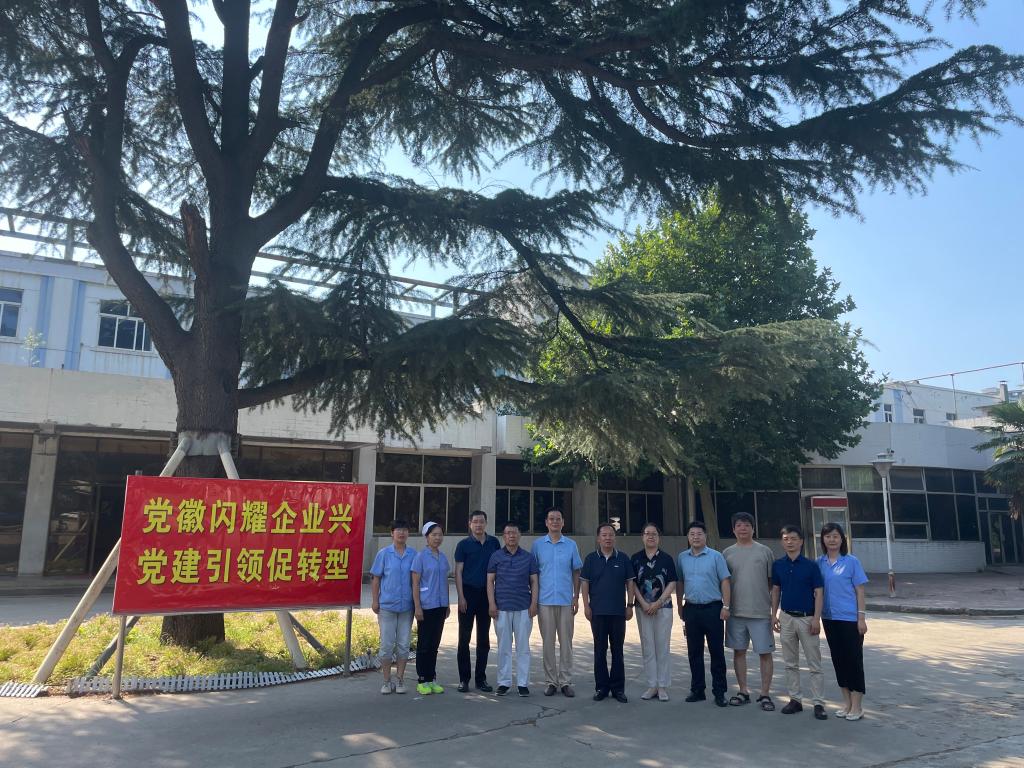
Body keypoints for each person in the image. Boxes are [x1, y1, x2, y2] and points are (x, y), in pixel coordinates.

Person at [770, 525, 827, 720]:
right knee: (790, 662)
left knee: (814, 663)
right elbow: (776, 590)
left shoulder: (811, 566)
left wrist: (816, 618)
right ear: (782, 542)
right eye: (786, 539)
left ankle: (818, 703)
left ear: (801, 541)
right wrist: (774, 615)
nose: (790, 542)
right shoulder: (778, 565)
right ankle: (795, 699)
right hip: (786, 617)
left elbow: (819, 592)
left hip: (807, 618)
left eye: (794, 538)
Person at [722, 512, 775, 711]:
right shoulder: (727, 553)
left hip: (760, 612)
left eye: (746, 525)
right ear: (733, 529)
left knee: (765, 653)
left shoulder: (765, 552)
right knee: (739, 652)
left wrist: (772, 611)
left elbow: (772, 583)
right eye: (739, 525)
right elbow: (724, 582)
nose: (742, 528)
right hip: (735, 612)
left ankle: (765, 693)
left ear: (753, 528)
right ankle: (743, 691)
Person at [676, 519, 731, 707]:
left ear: (705, 536)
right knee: (694, 652)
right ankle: (697, 690)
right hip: (691, 609)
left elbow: (725, 581)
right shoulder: (682, 557)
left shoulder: (716, 557)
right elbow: (680, 582)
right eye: (692, 534)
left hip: (713, 609)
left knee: (717, 652)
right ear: (688, 537)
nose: (695, 537)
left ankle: (719, 692)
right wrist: (679, 605)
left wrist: (726, 606)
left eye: (699, 534)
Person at [818, 521, 869, 721]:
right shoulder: (819, 563)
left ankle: (857, 705)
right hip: (829, 619)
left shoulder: (851, 561)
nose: (832, 540)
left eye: (835, 536)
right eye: (828, 536)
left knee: (854, 661)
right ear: (823, 539)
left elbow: (860, 591)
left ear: (842, 539)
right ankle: (846, 703)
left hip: (850, 619)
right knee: (838, 660)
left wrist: (861, 618)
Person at [580, 522, 635, 703]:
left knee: (618, 651)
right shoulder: (591, 559)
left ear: (615, 538)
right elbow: (585, 583)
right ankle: (601, 687)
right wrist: (586, 606)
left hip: (618, 612)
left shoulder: (623, 558)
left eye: (610, 535)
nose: (607, 538)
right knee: (599, 650)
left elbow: (630, 583)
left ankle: (618, 689)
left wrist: (630, 605)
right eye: (604, 535)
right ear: (598, 538)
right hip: (597, 612)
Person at [532, 506, 584, 697]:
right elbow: (533, 575)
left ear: (563, 522)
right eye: (551, 519)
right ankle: (551, 682)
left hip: (565, 601)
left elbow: (576, 572)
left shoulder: (571, 545)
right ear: (546, 522)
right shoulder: (538, 545)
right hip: (544, 601)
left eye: (558, 519)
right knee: (547, 643)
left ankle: (565, 681)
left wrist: (576, 597)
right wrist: (534, 600)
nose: (555, 522)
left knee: (566, 643)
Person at [486, 521, 540, 696]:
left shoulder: (528, 557)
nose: (511, 536)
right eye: (508, 533)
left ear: (519, 535)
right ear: (504, 536)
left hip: (524, 608)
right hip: (501, 608)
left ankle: (523, 683)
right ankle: (504, 682)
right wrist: (492, 604)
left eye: (514, 532)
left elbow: (534, 582)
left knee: (523, 647)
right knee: (504, 647)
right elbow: (490, 581)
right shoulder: (496, 556)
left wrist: (533, 604)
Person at [454, 510, 501, 693]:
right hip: (468, 593)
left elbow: (499, 569)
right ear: (470, 524)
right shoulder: (463, 545)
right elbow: (458, 572)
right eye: (475, 522)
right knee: (464, 639)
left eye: (481, 521)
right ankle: (463, 679)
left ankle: (481, 679)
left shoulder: (494, 543)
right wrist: (461, 596)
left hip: (486, 594)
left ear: (486, 523)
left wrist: (494, 599)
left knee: (484, 639)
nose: (478, 525)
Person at [630, 523, 677, 701]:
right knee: (648, 646)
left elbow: (672, 582)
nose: (650, 536)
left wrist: (658, 602)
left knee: (662, 646)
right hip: (642, 608)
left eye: (654, 534)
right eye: (647, 533)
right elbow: (632, 583)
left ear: (659, 537)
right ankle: (652, 685)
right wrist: (643, 603)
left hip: (663, 608)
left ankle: (662, 686)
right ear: (642, 537)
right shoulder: (635, 558)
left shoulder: (666, 558)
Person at [369, 519, 416, 695]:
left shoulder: (413, 554)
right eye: (398, 530)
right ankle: (386, 681)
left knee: (403, 645)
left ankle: (400, 679)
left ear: (408, 533)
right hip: (387, 606)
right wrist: (375, 601)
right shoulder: (384, 554)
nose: (401, 533)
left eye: (405, 530)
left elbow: (416, 581)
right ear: (392, 533)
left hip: (406, 607)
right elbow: (376, 579)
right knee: (386, 646)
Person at [411, 521, 451, 696]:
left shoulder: (443, 557)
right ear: (427, 537)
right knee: (424, 644)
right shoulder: (420, 557)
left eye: (440, 535)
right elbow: (415, 583)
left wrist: (447, 604)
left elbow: (445, 581)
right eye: (434, 534)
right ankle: (422, 680)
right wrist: (417, 607)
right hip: (426, 605)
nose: (437, 538)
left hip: (440, 605)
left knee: (434, 644)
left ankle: (431, 678)